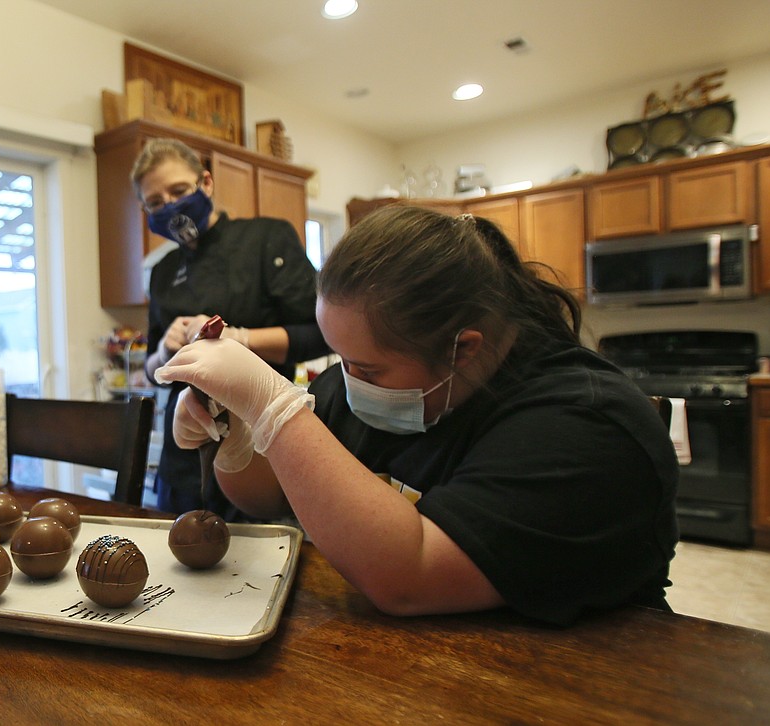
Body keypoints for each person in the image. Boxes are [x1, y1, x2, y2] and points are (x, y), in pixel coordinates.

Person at [156, 205, 678, 626]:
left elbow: (407, 579)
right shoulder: (360, 383)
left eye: (366, 366)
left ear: (463, 349)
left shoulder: (586, 426)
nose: (348, 377)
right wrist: (236, 434)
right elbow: (270, 493)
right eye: (342, 358)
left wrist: (275, 407)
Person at [133, 138, 328, 520]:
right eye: (155, 202)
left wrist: (239, 340)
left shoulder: (266, 239)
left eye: (179, 191)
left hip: (259, 444)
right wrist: (163, 354)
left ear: (206, 183)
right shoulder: (161, 272)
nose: (170, 207)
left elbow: (318, 333)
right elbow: (151, 372)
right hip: (183, 454)